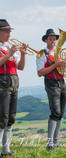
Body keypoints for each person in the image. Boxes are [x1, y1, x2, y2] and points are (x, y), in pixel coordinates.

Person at [36, 29, 66, 151]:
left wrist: (64, 65)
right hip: (51, 83)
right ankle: (50, 143)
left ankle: (56, 141)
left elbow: (63, 71)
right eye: (51, 39)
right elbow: (40, 72)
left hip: (61, 83)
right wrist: (55, 65)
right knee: (55, 112)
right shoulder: (42, 54)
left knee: (60, 113)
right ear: (46, 40)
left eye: (54, 38)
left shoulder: (59, 53)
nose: (53, 41)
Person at [0, 19, 28, 157]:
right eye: (6, 31)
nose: (9, 35)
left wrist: (23, 53)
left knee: (11, 117)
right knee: (2, 118)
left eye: (9, 31)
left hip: (14, 82)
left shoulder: (8, 48)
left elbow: (21, 67)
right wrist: (9, 54)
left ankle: (6, 150)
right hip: (2, 83)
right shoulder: (6, 50)